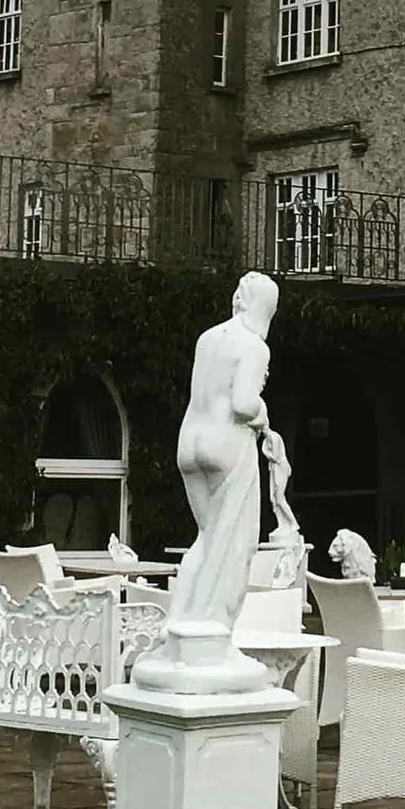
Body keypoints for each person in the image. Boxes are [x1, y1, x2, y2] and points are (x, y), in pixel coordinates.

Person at [136, 273, 279, 692]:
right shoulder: (254, 345)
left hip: (191, 442)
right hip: (226, 445)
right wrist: (264, 414)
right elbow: (242, 404)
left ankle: (178, 625)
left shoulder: (207, 338)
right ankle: (213, 634)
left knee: (206, 537)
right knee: (236, 540)